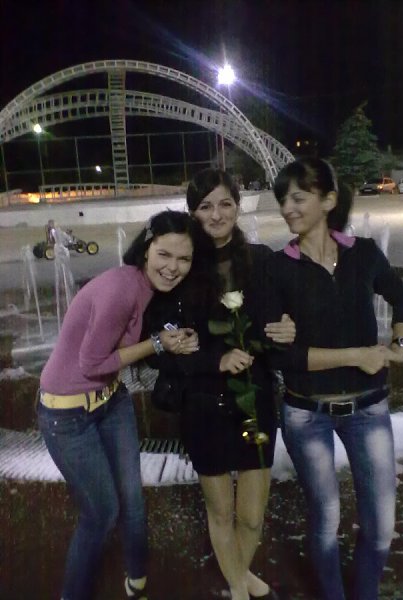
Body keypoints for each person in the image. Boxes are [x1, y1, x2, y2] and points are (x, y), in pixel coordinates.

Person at [38, 211, 214, 600]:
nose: (173, 268)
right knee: (101, 515)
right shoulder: (121, 288)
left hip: (111, 400)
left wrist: (173, 341)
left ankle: (138, 583)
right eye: (164, 254)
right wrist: (158, 343)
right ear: (146, 248)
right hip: (67, 415)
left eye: (183, 259)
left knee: (133, 501)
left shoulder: (148, 288)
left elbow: (131, 350)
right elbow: (92, 364)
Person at [145, 169, 295, 600]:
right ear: (193, 213)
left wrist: (288, 327)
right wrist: (215, 359)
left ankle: (237, 576)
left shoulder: (262, 260)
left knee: (251, 515)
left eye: (225, 203)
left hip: (255, 398)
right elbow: (161, 346)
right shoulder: (183, 267)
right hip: (204, 403)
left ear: (238, 206)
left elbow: (280, 320)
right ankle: (239, 589)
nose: (216, 214)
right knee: (222, 510)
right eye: (205, 206)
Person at [269, 158, 403, 600]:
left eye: (298, 198)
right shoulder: (278, 267)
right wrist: (359, 355)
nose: (288, 208)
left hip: (369, 409)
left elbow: (401, 297)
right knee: (326, 517)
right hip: (306, 413)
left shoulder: (364, 253)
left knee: (381, 522)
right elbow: (285, 357)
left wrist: (401, 343)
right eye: (283, 200)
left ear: (329, 200)